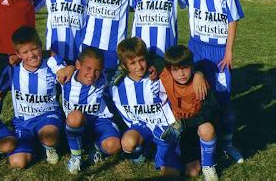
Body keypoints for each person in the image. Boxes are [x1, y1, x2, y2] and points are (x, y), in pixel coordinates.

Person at [182, 0, 245, 163]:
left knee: (223, 100)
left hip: (219, 52)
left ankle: (227, 144)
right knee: (196, 97)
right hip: (197, 49)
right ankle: (197, 142)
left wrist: (229, 51)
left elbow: (232, 20)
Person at [110, 37, 181, 176]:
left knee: (171, 174)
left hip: (165, 129)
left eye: (141, 60)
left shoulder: (159, 77)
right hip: (141, 128)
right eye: (133, 63)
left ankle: (161, 151)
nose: (139, 66)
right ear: (124, 66)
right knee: (128, 142)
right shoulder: (118, 87)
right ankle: (145, 149)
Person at [8, 26, 74, 168]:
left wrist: (71, 68)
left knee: (49, 137)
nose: (31, 54)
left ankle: (49, 147)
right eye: (25, 52)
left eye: (34, 49)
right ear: (18, 54)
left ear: (40, 46)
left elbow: (67, 72)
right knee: (17, 163)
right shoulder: (12, 71)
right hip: (23, 122)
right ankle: (36, 146)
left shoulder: (51, 65)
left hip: (48, 116)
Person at [161, 45, 219, 181]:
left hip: (194, 126)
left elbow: (210, 110)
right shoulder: (165, 75)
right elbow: (152, 60)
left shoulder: (199, 83)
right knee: (184, 172)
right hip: (179, 129)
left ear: (192, 66)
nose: (181, 74)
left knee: (207, 129)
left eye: (185, 68)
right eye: (175, 70)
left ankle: (209, 166)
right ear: (169, 70)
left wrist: (199, 74)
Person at [61, 46, 121, 174]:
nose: (92, 74)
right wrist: (68, 68)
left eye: (97, 70)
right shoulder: (65, 78)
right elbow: (49, 59)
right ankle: (76, 157)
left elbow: (126, 68)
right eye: (88, 68)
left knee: (114, 146)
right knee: (75, 116)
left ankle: (95, 148)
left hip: (100, 121)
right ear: (78, 64)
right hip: (77, 123)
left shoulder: (104, 78)